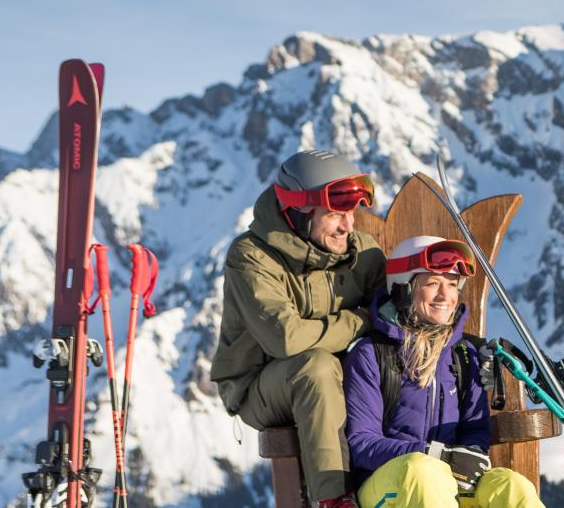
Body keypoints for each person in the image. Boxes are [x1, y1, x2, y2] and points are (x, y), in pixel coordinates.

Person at [210, 149, 385, 507]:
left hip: (343, 377)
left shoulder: (361, 251)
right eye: (336, 214)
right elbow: (286, 339)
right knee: (315, 366)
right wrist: (360, 321)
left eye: (351, 213)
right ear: (300, 211)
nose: (349, 225)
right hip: (260, 384)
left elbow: (391, 315)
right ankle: (334, 499)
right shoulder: (251, 258)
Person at [343, 236, 542, 507]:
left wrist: (468, 456)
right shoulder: (371, 353)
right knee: (421, 472)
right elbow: (362, 443)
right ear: (403, 289)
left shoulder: (463, 354)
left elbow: (476, 428)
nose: (445, 295)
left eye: (451, 284)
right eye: (433, 283)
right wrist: (433, 454)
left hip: (449, 481)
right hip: (389, 484)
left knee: (510, 486)